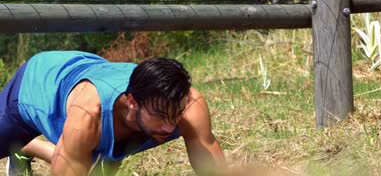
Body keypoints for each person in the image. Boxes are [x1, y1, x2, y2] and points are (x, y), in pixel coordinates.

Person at [0, 50, 225, 175]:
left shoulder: (189, 105)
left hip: (93, 68)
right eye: (159, 115)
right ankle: (23, 143)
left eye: (175, 114)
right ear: (132, 102)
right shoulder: (88, 118)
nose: (169, 126)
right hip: (39, 82)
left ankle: (32, 147)